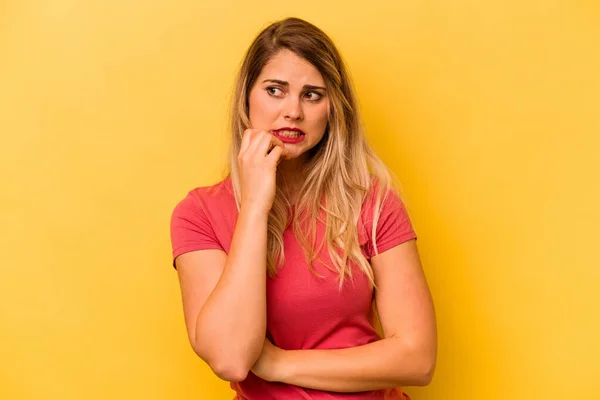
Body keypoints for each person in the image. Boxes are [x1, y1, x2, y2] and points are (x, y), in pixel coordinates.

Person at [170, 17, 437, 400]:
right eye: (275, 90)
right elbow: (229, 359)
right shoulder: (198, 213)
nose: (293, 111)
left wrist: (278, 363)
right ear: (247, 97)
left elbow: (417, 359)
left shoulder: (372, 203)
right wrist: (256, 204)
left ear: (332, 110)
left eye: (312, 94)